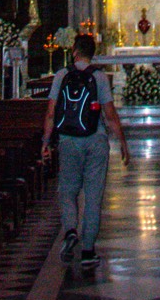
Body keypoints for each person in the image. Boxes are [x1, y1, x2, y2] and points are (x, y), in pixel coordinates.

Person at [42, 32, 129, 270]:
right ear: (92, 54)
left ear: (75, 51)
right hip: (95, 139)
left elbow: (51, 113)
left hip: (68, 140)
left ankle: (70, 229)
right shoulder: (99, 77)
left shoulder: (62, 75)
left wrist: (45, 142)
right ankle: (89, 250)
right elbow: (110, 115)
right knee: (93, 196)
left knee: (67, 191)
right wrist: (122, 142)